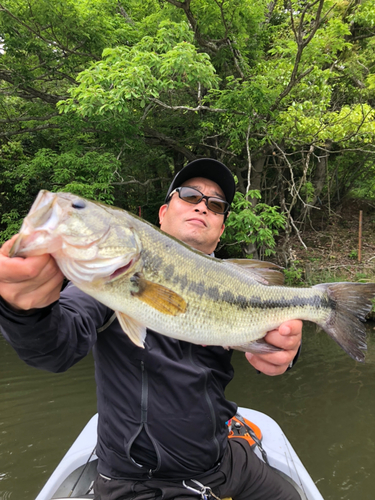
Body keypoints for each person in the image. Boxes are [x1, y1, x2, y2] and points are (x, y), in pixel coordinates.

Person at [0, 158, 302, 500]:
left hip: (222, 462)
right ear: (163, 212)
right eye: (189, 196)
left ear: (220, 229)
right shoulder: (107, 282)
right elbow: (56, 348)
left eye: (216, 205)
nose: (202, 206)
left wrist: (287, 348)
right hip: (139, 483)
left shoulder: (235, 285)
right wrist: (24, 313)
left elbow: (272, 338)